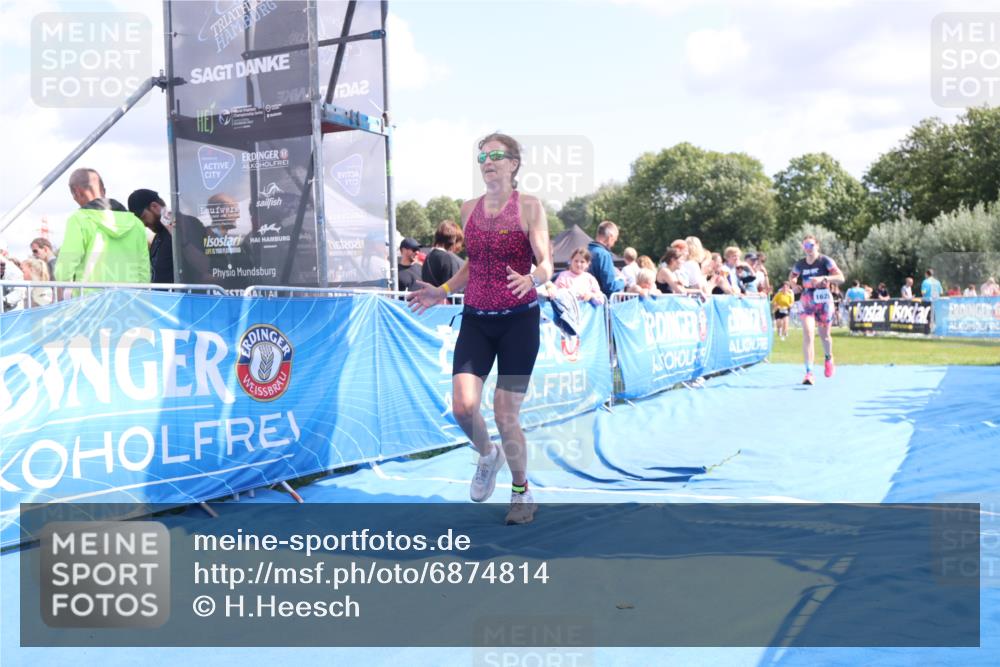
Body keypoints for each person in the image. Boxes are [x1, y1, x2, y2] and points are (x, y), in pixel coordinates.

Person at [407, 132, 552, 525]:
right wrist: (441, 290)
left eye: (496, 156)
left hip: (519, 321)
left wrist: (533, 279)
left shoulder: (531, 206)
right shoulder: (468, 208)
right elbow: (473, 265)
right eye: (482, 156)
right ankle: (488, 455)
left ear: (514, 164)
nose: (487, 162)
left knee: (505, 414)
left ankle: (522, 492)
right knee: (462, 408)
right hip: (477, 319)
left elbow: (546, 264)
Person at [54, 168, 150, 285]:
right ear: (103, 190)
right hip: (129, 299)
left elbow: (64, 269)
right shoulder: (136, 223)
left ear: (77, 192)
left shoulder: (79, 220)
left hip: (91, 300)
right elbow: (144, 272)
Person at [789, 234, 844, 385]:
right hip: (807, 301)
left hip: (824, 302)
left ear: (817, 246)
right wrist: (794, 285)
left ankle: (828, 357)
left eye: (811, 245)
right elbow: (792, 277)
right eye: (805, 246)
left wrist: (824, 279)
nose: (808, 249)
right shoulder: (800, 264)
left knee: (825, 336)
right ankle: (809, 373)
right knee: (808, 334)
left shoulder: (825, 261)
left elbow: (841, 277)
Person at [128, 189, 175, 284]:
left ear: (154, 206)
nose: (144, 224)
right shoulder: (159, 236)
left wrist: (176, 235)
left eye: (143, 217)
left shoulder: (181, 226)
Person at [421, 220, 464, 288]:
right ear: (454, 240)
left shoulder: (428, 257)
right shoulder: (448, 258)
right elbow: (452, 289)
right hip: (445, 297)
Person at [587, 220, 624, 298]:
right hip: (599, 304)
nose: (613, 244)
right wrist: (622, 281)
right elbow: (609, 286)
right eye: (614, 240)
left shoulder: (583, 251)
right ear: (610, 237)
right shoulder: (604, 255)